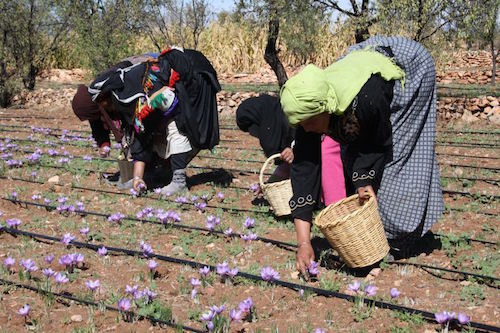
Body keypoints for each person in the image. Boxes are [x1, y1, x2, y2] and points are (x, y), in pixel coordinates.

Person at [280, 36, 443, 274]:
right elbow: (305, 169)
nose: (304, 128)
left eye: (308, 123)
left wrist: (363, 179)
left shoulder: (367, 101)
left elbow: (376, 143)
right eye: (300, 124)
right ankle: (370, 232)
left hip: (408, 66)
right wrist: (304, 243)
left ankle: (399, 236)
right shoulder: (308, 106)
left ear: (325, 108)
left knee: (396, 160)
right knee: (351, 155)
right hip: (363, 60)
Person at [88, 47, 220, 194]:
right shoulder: (126, 97)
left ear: (105, 97)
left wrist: (173, 123)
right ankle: (150, 174)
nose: (106, 109)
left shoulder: (138, 94)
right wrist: (138, 177)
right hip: (178, 85)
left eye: (102, 104)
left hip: (195, 74)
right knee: (154, 129)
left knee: (177, 126)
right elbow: (140, 134)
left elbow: (174, 106)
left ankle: (179, 181)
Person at [236, 94, 346, 203]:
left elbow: (309, 143)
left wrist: (297, 149)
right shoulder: (279, 123)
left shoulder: (294, 117)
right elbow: (287, 164)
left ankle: (335, 205)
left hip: (337, 153)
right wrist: (269, 185)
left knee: (324, 151)